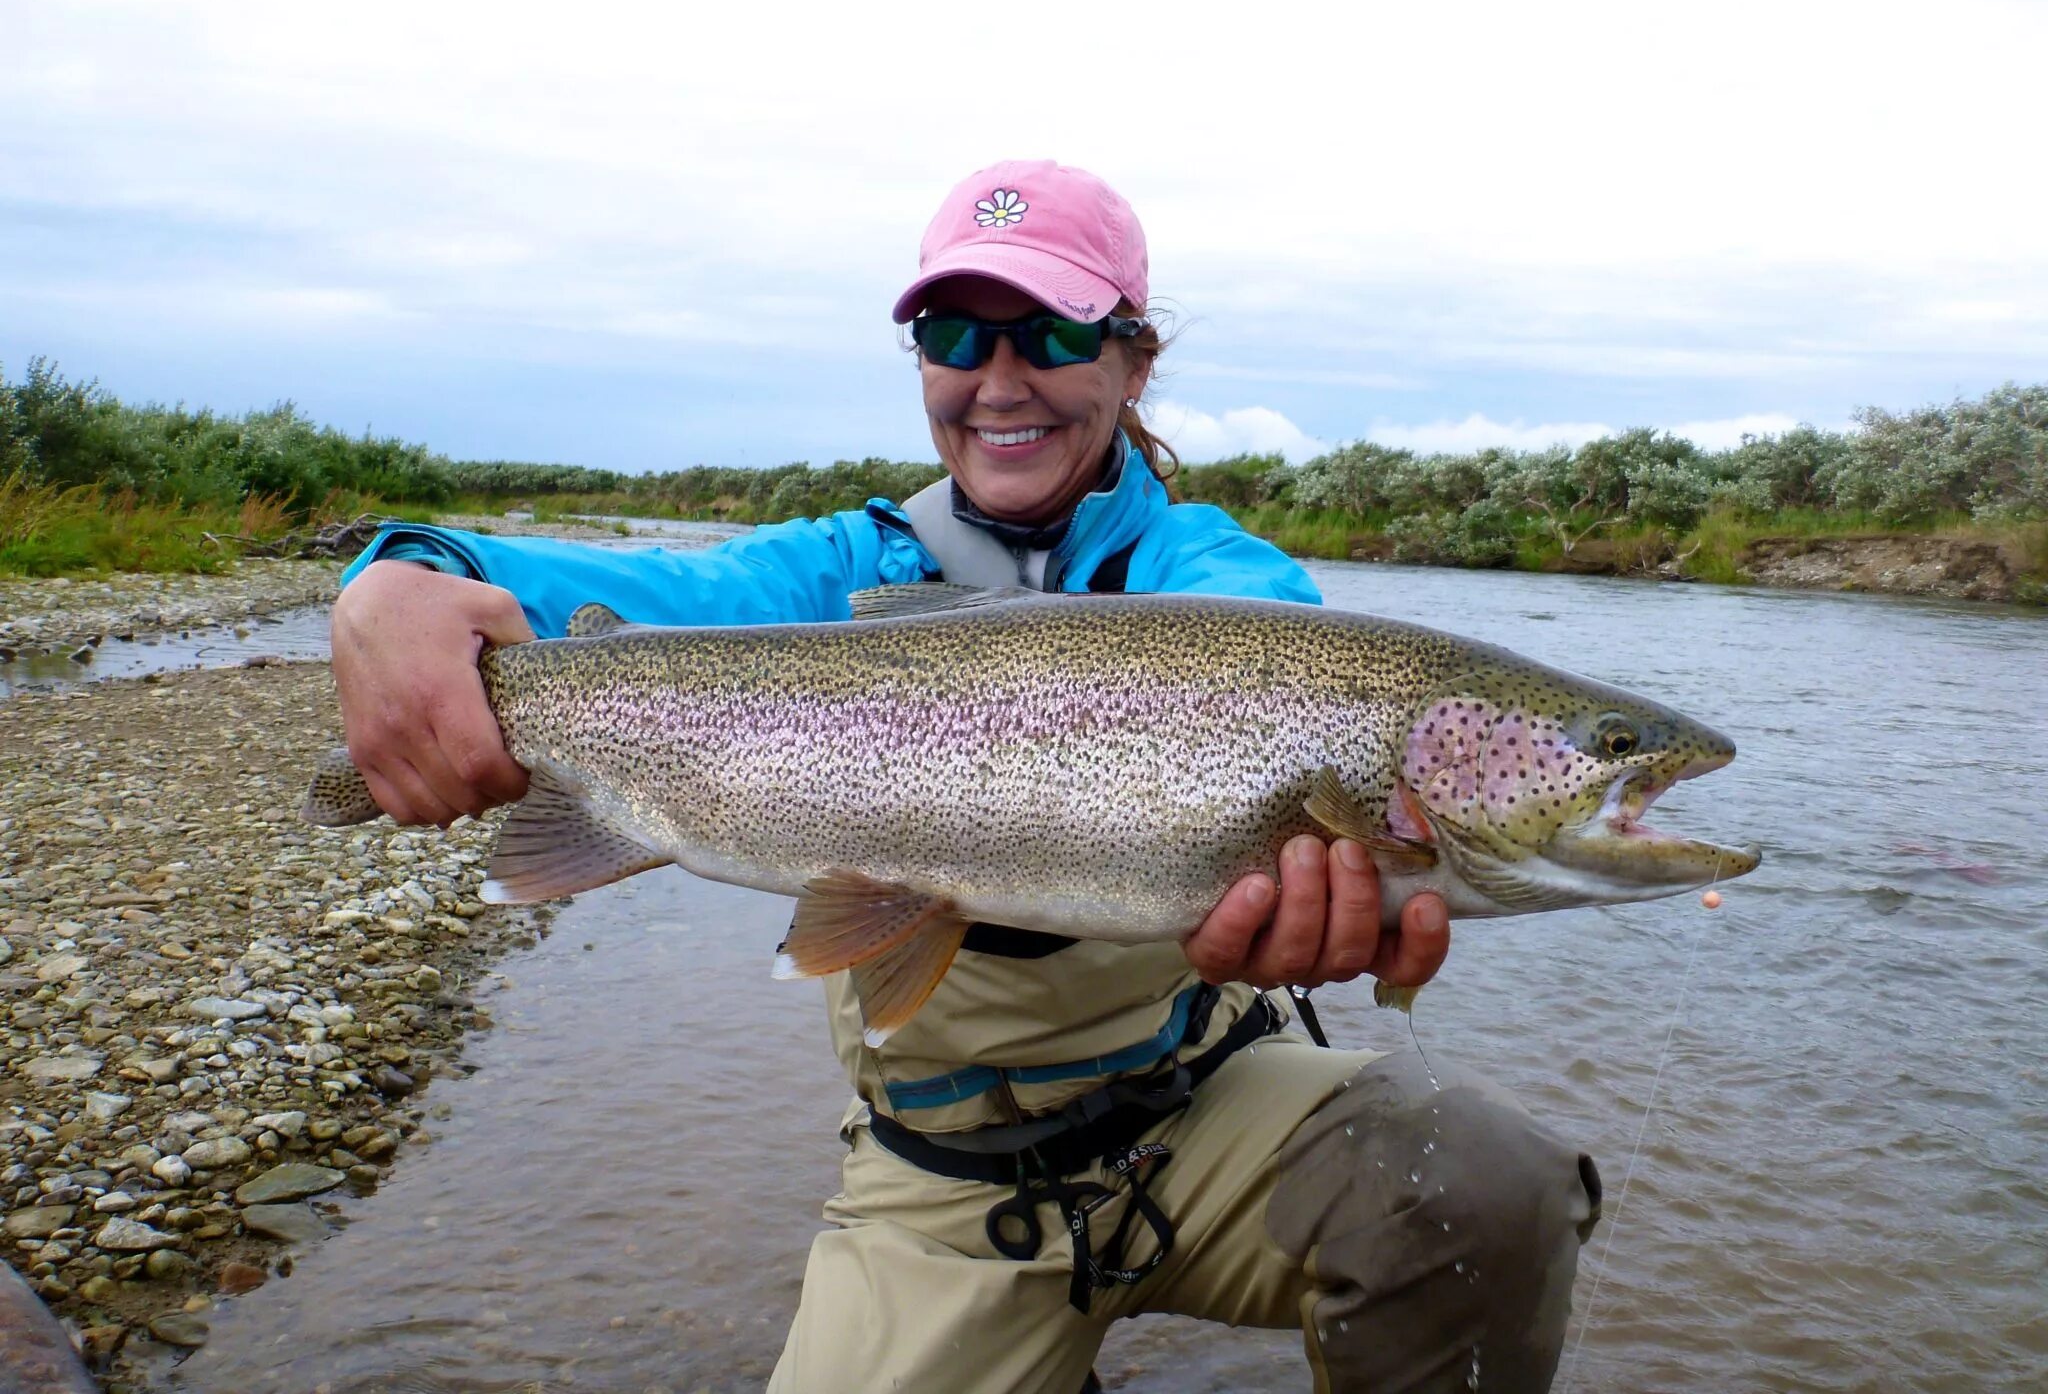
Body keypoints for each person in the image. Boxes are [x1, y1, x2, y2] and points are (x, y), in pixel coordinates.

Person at [328, 160, 1602, 1393]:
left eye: (1049, 333)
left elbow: (1271, 648)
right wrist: (395, 574)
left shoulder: (1221, 587)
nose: (1000, 378)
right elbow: (604, 599)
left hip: (1206, 1108)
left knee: (1486, 1185)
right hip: (942, 1181)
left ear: (1131, 359)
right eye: (954, 332)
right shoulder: (833, 571)